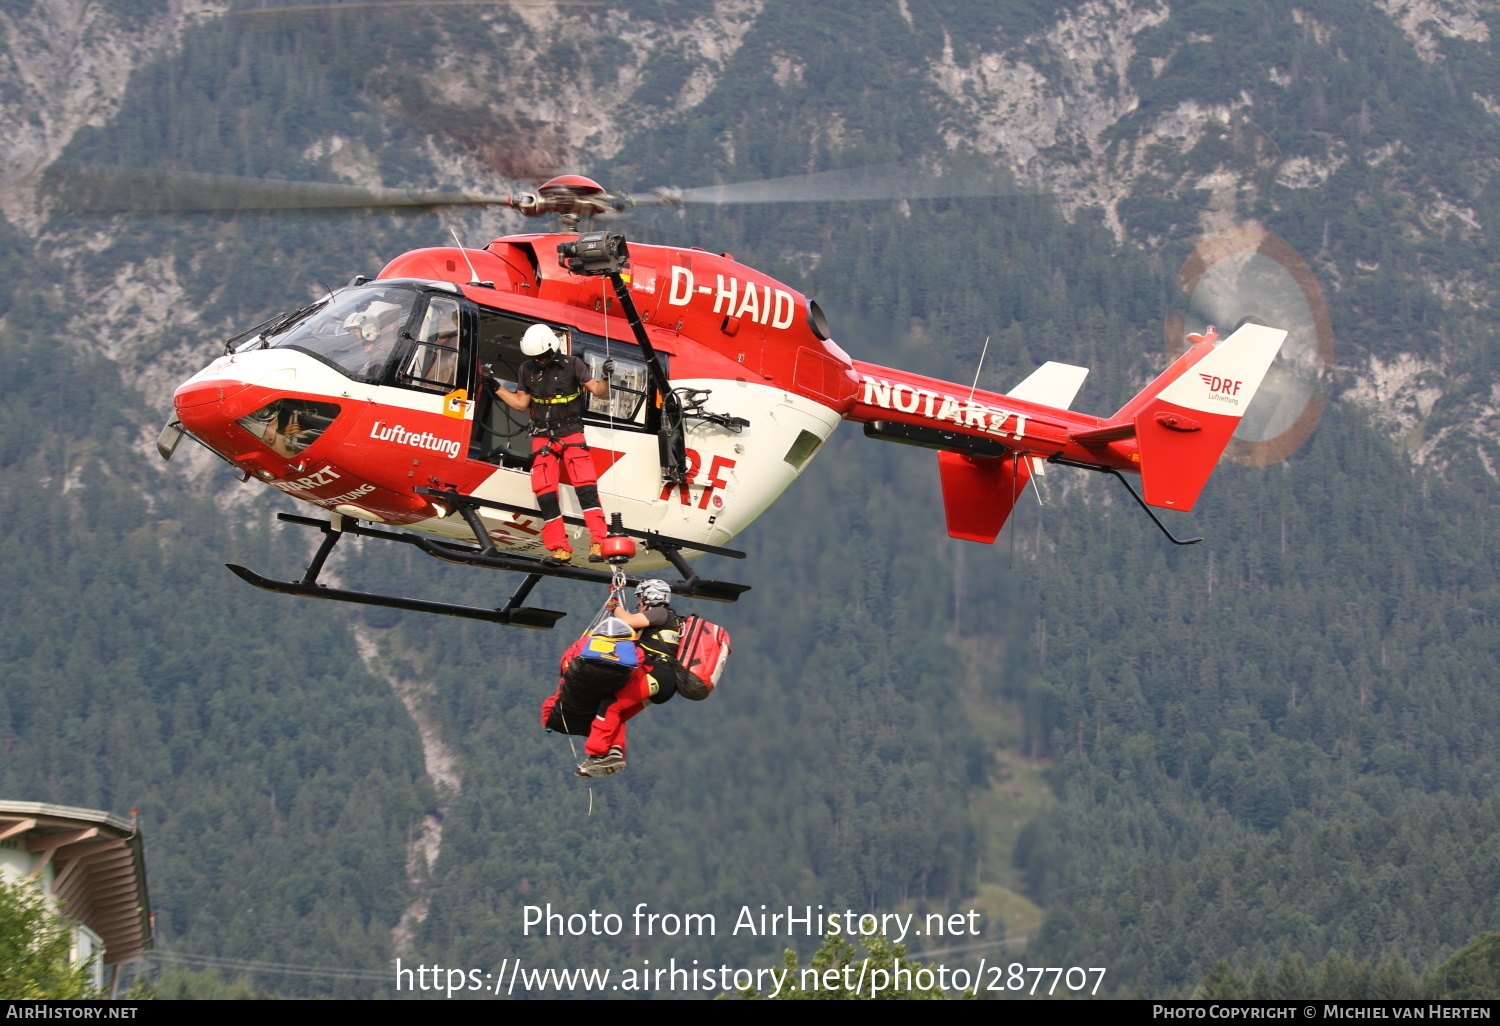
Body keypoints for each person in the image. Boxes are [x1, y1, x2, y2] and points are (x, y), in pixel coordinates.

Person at [494, 323, 611, 563]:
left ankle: (599, 542)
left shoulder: (573, 365)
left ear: (552, 349)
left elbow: (599, 392)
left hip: (571, 434)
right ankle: (560, 548)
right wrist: (494, 386)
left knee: (586, 489)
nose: (539, 360)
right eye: (535, 357)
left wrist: (607, 376)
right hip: (542, 436)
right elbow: (520, 404)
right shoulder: (526, 369)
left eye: (542, 356)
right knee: (545, 494)